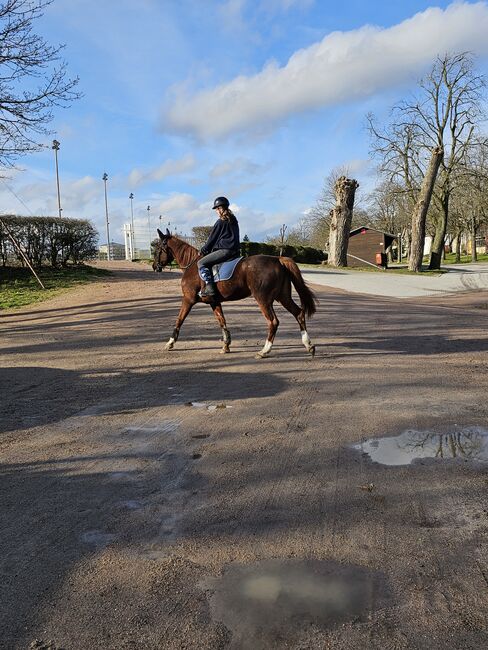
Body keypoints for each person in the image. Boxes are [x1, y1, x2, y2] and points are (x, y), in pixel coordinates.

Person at [197, 196, 240, 298]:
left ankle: (210, 287)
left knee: (201, 263)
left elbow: (212, 240)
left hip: (225, 251)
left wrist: (203, 250)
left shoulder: (220, 222)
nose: (216, 211)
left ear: (221, 209)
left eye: (217, 209)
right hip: (235, 251)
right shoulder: (233, 219)